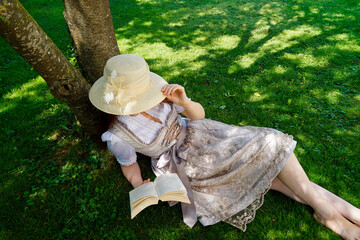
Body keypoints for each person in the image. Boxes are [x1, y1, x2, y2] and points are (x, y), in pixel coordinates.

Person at [89, 54, 360, 240]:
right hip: (185, 162)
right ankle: (338, 214)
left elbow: (199, 116)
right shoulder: (117, 135)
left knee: (273, 148)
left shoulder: (161, 94)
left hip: (204, 135)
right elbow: (129, 164)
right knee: (273, 178)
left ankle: (334, 214)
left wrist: (183, 101)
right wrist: (139, 185)